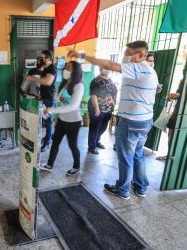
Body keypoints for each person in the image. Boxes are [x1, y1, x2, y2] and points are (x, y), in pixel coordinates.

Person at [69, 41, 159, 200]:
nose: (125, 57)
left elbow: (109, 64)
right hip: (145, 121)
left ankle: (122, 189)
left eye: (128, 53)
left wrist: (80, 55)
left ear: (139, 56)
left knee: (125, 156)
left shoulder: (138, 68)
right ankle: (141, 186)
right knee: (137, 155)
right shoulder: (150, 71)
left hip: (131, 122)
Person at [40, 61, 84, 176]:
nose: (66, 70)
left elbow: (72, 106)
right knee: (55, 143)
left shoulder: (79, 86)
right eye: (66, 67)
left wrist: (52, 110)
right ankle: (49, 164)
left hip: (73, 122)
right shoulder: (65, 83)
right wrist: (54, 114)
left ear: (76, 71)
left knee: (72, 145)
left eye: (69, 68)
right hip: (62, 120)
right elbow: (59, 101)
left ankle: (76, 167)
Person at [25, 50, 57, 152]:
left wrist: (33, 78)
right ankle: (49, 137)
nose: (39, 59)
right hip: (44, 98)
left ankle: (47, 142)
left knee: (48, 122)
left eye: (41, 57)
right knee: (45, 121)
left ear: (48, 59)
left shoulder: (52, 68)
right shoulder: (45, 69)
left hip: (49, 100)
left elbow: (47, 82)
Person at [88, 68, 118, 154]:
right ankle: (91, 146)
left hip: (108, 108)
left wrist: (113, 102)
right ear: (101, 69)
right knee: (95, 127)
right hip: (97, 107)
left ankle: (96, 141)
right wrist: (97, 107)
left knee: (103, 126)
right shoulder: (95, 81)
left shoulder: (110, 79)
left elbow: (114, 92)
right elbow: (93, 95)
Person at [156, 79, 184, 161]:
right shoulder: (181, 81)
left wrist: (177, 95)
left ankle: (176, 156)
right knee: (170, 134)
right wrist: (171, 97)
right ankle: (170, 155)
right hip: (176, 111)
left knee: (179, 135)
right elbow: (178, 96)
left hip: (184, 112)